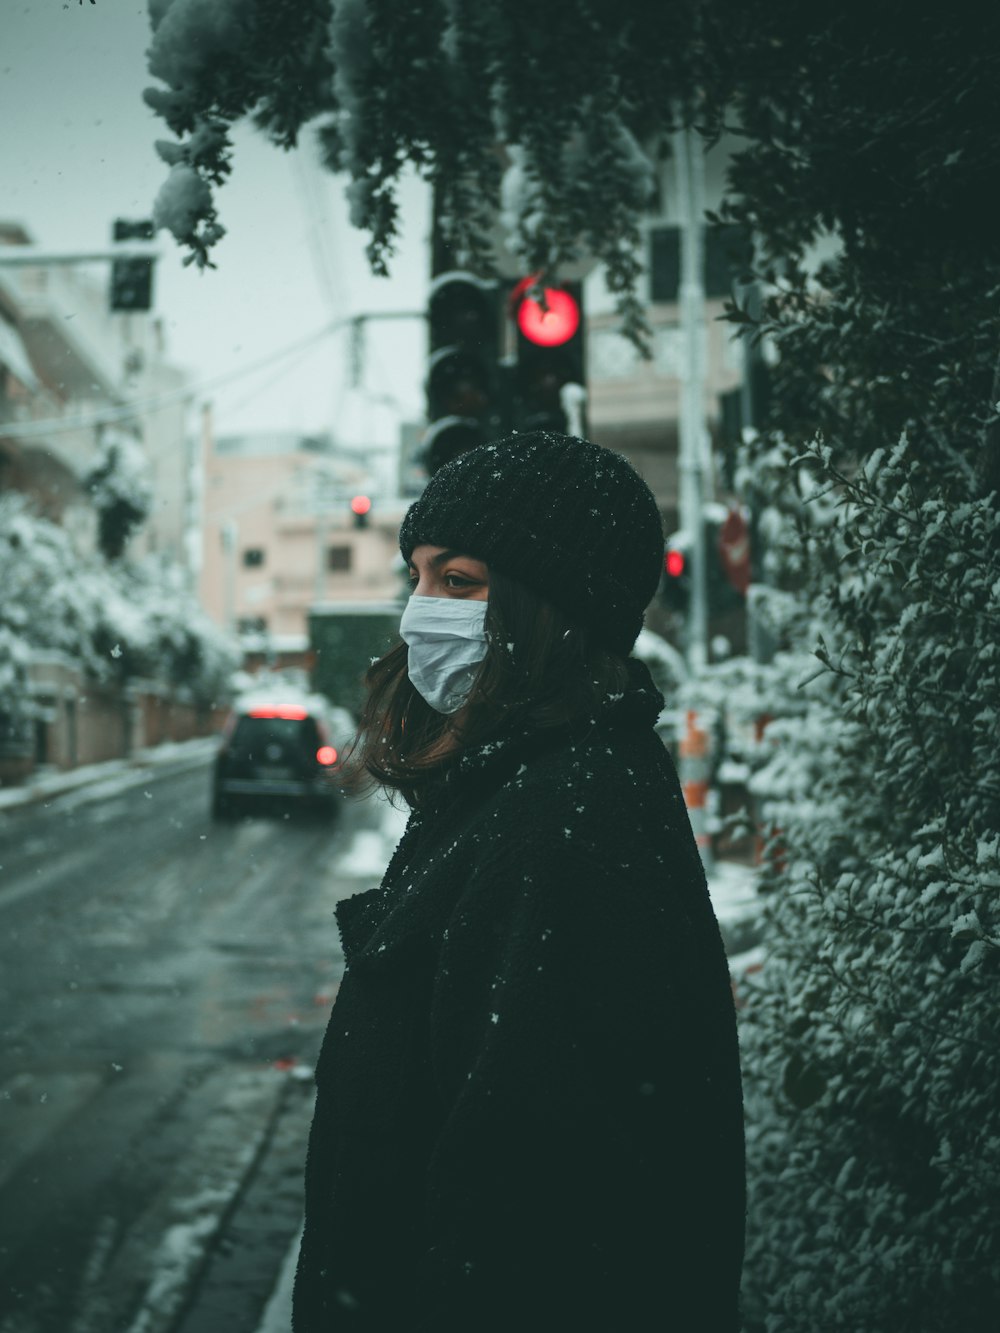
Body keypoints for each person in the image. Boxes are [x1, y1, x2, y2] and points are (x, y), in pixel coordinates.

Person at [293, 431, 745, 1332]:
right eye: (417, 576)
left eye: (460, 582)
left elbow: (531, 1222)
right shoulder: (521, 782)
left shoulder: (563, 818)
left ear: (555, 606)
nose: (422, 611)